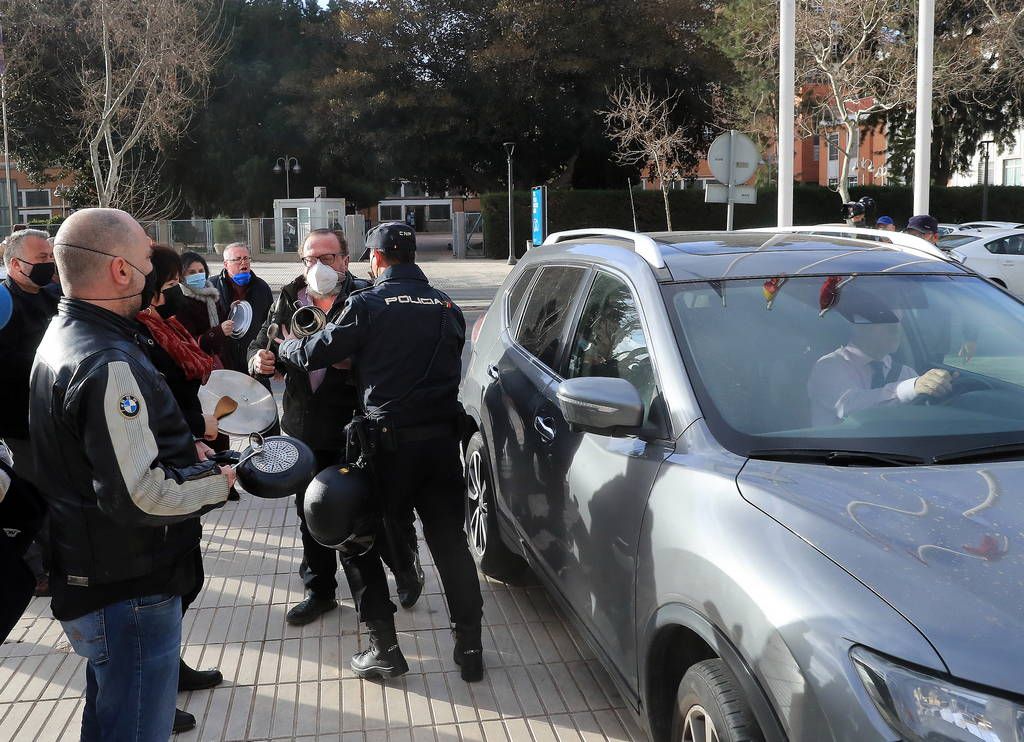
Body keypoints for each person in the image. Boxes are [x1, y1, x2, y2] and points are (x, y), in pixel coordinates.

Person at [30, 208, 235, 741]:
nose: (156, 274)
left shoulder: (65, 333)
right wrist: (224, 482)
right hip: (128, 589)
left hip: (98, 576)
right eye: (148, 259)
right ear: (121, 270)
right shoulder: (106, 358)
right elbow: (139, 495)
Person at [278, 222, 484, 682]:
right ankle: (470, 646)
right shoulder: (447, 306)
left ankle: (385, 649)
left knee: (359, 542)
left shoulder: (368, 303)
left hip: (387, 448)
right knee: (451, 545)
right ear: (412, 257)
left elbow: (316, 353)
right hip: (440, 445)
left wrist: (289, 345)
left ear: (375, 259)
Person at [248, 229, 422, 625]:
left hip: (354, 428)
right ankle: (319, 589)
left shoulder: (366, 296)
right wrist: (258, 359)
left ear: (345, 260)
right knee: (310, 511)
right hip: (304, 428)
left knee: (373, 509)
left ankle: (404, 566)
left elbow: (389, 358)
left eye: (327, 258)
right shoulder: (290, 295)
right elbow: (264, 340)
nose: (318, 267)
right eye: (310, 259)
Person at [134, 244, 226, 733]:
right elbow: (154, 404)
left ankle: (170, 666)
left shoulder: (161, 329)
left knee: (186, 579)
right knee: (162, 590)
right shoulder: (132, 336)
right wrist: (194, 428)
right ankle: (150, 693)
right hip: (160, 471)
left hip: (182, 455)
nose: (172, 293)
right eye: (167, 284)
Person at [0, 228, 59, 596]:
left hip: (54, 416)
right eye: (42, 260)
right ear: (15, 264)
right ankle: (38, 569)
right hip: (18, 421)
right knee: (35, 494)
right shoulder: (4, 302)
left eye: (51, 258)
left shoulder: (54, 295)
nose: (49, 266)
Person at [807, 288, 953, 426]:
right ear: (859, 326)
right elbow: (849, 405)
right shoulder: (829, 366)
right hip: (837, 451)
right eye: (885, 320)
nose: (896, 328)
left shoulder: (906, 373)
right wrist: (910, 389)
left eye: (899, 321)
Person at [209, 242, 272, 373]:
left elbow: (270, 323)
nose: (243, 263)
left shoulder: (262, 288)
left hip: (253, 362)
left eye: (246, 258)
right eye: (237, 259)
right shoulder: (211, 287)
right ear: (226, 264)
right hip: (222, 364)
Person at [177, 250, 233, 359]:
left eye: (201, 271)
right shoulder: (180, 301)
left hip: (219, 360)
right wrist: (217, 332)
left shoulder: (211, 295)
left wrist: (232, 311)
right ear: (181, 276)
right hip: (199, 362)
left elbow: (221, 322)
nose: (198, 275)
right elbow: (188, 342)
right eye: (192, 272)